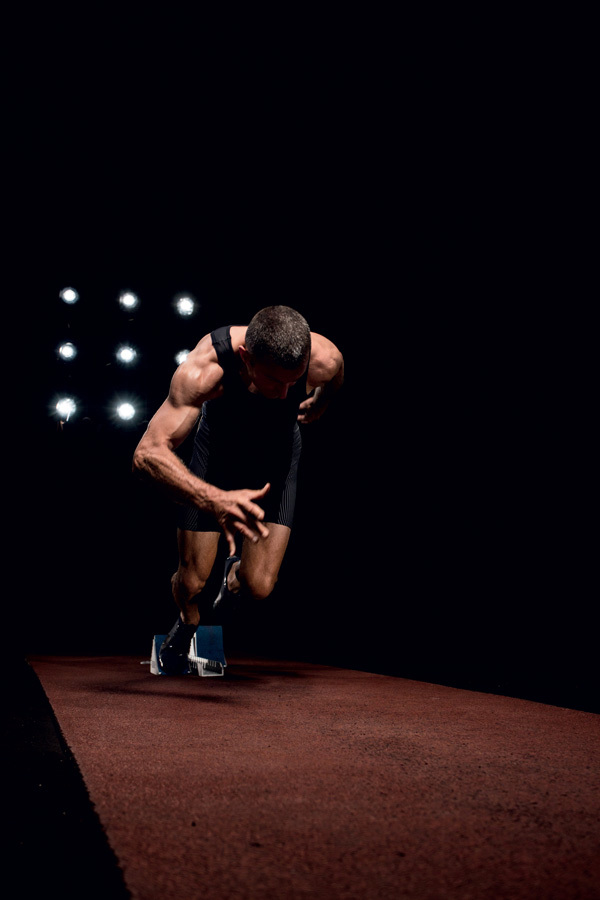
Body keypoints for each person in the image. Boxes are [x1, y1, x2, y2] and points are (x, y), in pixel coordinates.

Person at [133, 305, 344, 673]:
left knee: (259, 586)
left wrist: (320, 402)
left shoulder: (322, 358)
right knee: (192, 580)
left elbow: (335, 375)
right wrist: (213, 498)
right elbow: (146, 453)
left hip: (276, 460)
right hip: (217, 460)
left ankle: (233, 577)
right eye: (274, 381)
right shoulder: (205, 370)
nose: (283, 395)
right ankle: (187, 621)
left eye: (293, 383)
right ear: (246, 358)